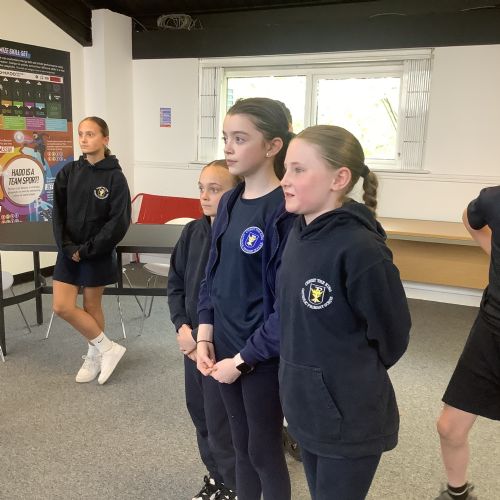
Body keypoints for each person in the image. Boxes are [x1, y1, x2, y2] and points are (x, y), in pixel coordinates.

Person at [277, 125, 411, 500]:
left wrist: (341, 375)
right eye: (286, 169)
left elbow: (393, 335)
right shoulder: (297, 232)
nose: (285, 180)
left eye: (298, 170)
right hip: (307, 406)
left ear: (339, 179)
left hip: (349, 415)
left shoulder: (361, 249)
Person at [196, 97, 293, 500]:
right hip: (223, 344)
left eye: (240, 139)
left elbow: (285, 305)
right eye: (226, 138)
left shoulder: (285, 210)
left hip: (259, 355)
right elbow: (212, 274)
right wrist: (205, 334)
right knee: (240, 448)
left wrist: (244, 359)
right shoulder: (231, 201)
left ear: (272, 146)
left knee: (264, 451)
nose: (228, 148)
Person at [167, 160, 239, 500]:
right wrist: (182, 327)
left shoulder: (241, 238)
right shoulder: (192, 233)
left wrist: (204, 339)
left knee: (224, 422)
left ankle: (236, 484)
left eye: (215, 189)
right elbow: (176, 285)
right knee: (201, 416)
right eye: (201, 188)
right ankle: (217, 478)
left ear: (236, 193)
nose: (204, 196)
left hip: (223, 348)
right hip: (191, 346)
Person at [52, 116, 131, 385]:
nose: (84, 139)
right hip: (68, 251)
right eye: (81, 134)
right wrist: (67, 247)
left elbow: (118, 222)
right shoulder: (69, 172)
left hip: (96, 252)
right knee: (61, 306)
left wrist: (87, 250)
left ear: (105, 139)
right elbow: (58, 214)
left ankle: (94, 356)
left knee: (90, 305)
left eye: (91, 134)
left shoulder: (115, 177)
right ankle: (107, 348)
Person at [434, 187, 500, 500]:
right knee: (449, 427)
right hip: (492, 326)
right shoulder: (493, 199)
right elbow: (470, 219)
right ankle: (457, 493)